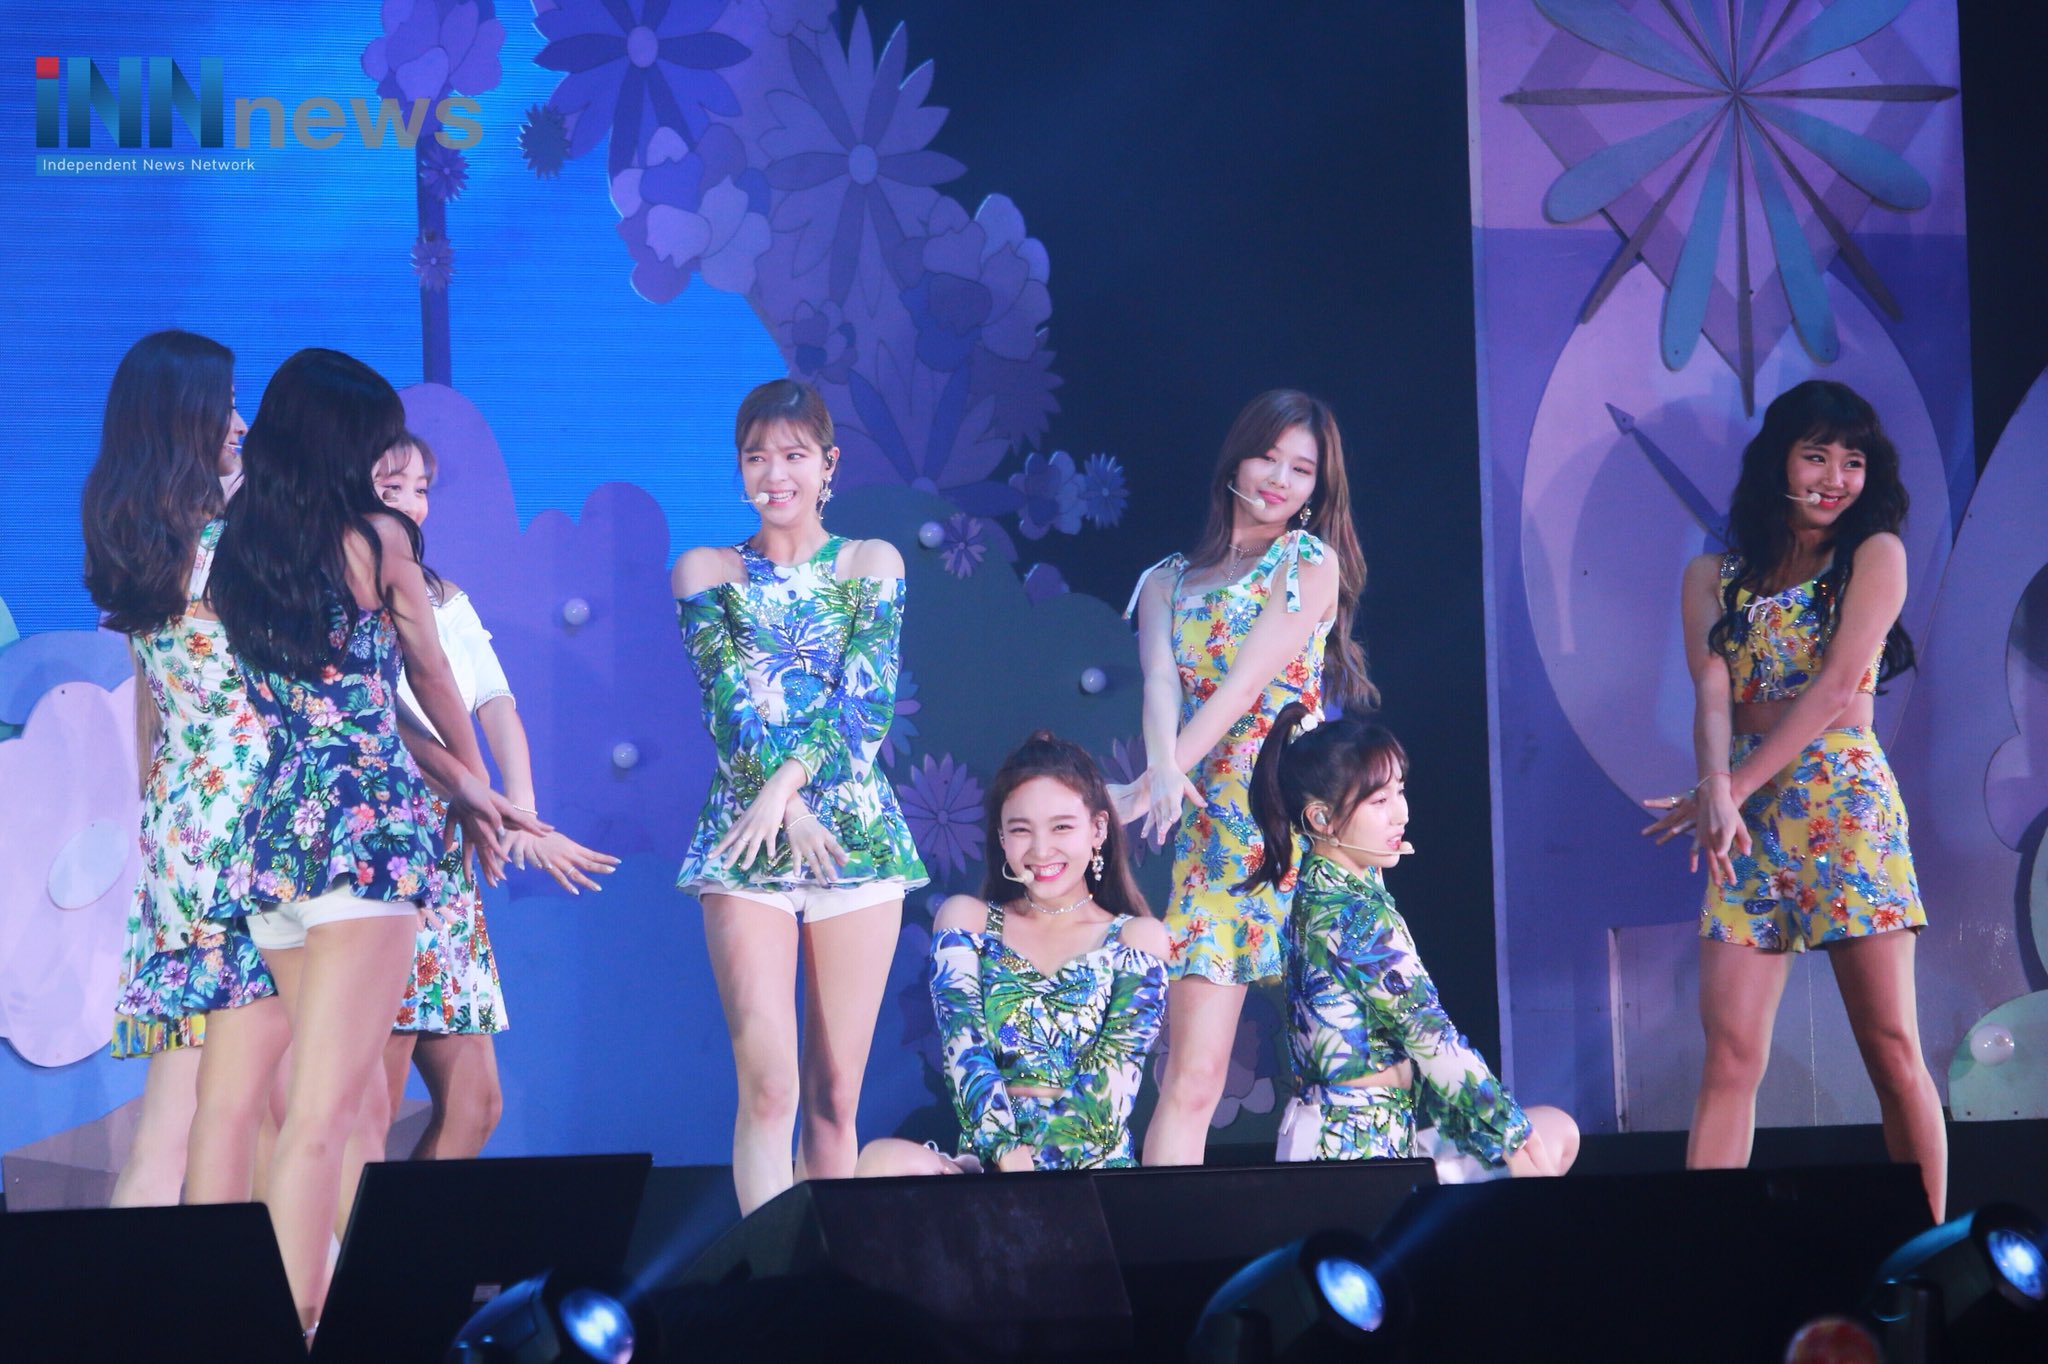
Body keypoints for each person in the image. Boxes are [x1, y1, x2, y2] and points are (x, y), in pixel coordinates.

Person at [186, 348, 534, 1333]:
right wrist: (474, 786)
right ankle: (301, 1323)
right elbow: (428, 674)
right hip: (366, 837)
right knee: (324, 1115)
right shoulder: (376, 538)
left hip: (273, 840)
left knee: (301, 1108)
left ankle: (268, 1320)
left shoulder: (233, 548)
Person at [1641, 379, 1945, 1218]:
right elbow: (1712, 693)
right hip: (1749, 823)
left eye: (1853, 462)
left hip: (1845, 806)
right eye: (1816, 456)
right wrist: (1717, 790)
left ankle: (1932, 1249)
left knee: (1891, 1050)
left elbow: (1840, 687)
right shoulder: (1713, 576)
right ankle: (1707, 1253)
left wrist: (1732, 786)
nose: (1834, 479)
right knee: (1731, 1057)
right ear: (1780, 461)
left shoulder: (1875, 554)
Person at [672, 378, 927, 1214]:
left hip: (855, 840)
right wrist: (784, 802)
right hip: (747, 840)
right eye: (756, 457)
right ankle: (771, 1272)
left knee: (833, 1098)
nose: (774, 474)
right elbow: (728, 710)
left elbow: (866, 708)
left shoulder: (870, 562)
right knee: (770, 1087)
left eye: (793, 455)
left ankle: (827, 1275)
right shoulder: (706, 570)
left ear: (828, 465)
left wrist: (793, 789)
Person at [1112, 389, 1372, 1165]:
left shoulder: (1307, 563)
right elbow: (1161, 682)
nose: (1280, 480)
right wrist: (1161, 769)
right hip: (1213, 840)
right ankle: (1165, 1235)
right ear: (1237, 458)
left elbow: (1245, 685)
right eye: (1269, 457)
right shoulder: (1165, 580)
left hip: (1302, 826)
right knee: (1192, 1080)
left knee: (1351, 1071)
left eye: (1302, 470)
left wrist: (1160, 776)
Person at [371, 432, 617, 1162]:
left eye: (420, 490)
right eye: (391, 488)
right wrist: (481, 797)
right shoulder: (341, 598)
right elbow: (394, 719)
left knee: (476, 1106)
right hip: (380, 852)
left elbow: (496, 700)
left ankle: (406, 1240)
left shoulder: (445, 597)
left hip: (449, 855)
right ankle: (338, 1237)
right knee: (370, 1107)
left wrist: (521, 812)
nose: (411, 505)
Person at [79, 330, 274, 1206]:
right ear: (186, 417)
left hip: (184, 825)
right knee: (229, 1110)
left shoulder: (138, 541)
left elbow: (150, 715)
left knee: (198, 1112)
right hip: (252, 828)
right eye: (225, 405)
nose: (241, 422)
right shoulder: (232, 544)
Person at [1246, 703, 1576, 1175]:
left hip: (1359, 1137)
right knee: (1539, 1147)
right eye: (1378, 802)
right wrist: (1511, 1133)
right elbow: (1430, 1038)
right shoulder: (1353, 914)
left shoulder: (1327, 888)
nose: (1401, 814)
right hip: (1354, 1156)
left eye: (1399, 791)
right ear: (1321, 819)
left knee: (1554, 1129)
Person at [856, 733, 1170, 1175]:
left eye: (1062, 827)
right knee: (880, 1162)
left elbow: (1113, 1081)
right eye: (1021, 830)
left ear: (1098, 829)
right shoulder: (966, 921)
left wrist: (1036, 1175)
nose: (1040, 850)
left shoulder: (1137, 939)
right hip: (992, 1163)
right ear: (1001, 838)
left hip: (1088, 1170)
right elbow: (964, 1051)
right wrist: (1006, 1157)